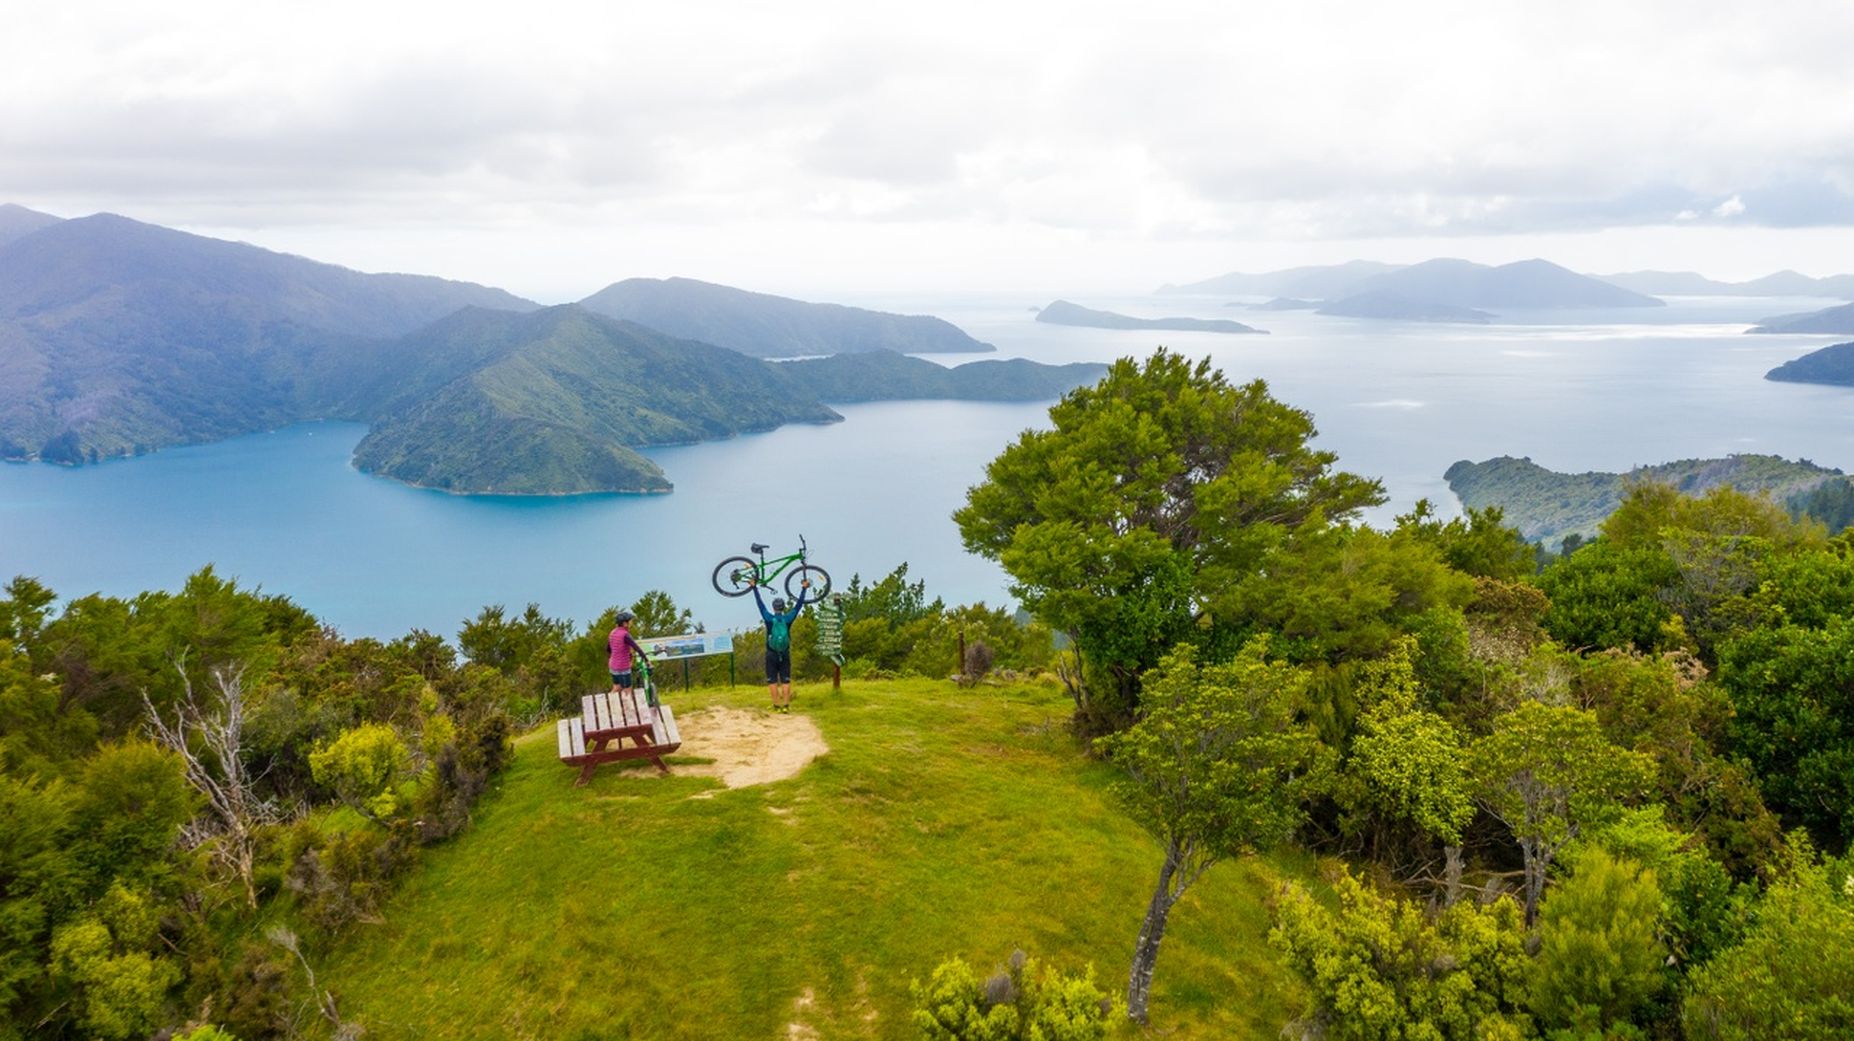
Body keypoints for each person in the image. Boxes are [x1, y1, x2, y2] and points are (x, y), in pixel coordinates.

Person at [752, 580, 809, 712]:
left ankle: (776, 706)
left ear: (774, 607)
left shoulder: (768, 618)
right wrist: (804, 589)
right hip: (784, 653)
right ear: (783, 607)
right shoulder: (788, 619)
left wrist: (754, 588)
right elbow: (798, 606)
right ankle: (786, 706)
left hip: (771, 653)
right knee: (785, 680)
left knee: (772, 681)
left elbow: (760, 604)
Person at [608, 609, 649, 698]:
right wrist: (647, 660)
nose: (631, 623)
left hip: (613, 665)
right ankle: (628, 709)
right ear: (625, 623)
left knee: (617, 687)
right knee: (627, 690)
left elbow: (608, 649)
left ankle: (608, 703)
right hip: (623, 666)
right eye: (630, 621)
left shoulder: (612, 633)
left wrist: (618, 655)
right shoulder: (625, 635)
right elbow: (637, 648)